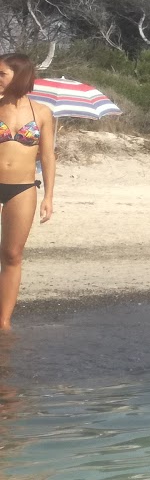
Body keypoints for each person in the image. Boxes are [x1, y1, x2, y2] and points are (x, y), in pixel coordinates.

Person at [0, 55, 54, 331]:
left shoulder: (42, 113)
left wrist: (49, 197)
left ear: (19, 76)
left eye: (2, 74)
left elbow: (47, 156)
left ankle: (4, 323)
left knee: (11, 255)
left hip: (23, 188)